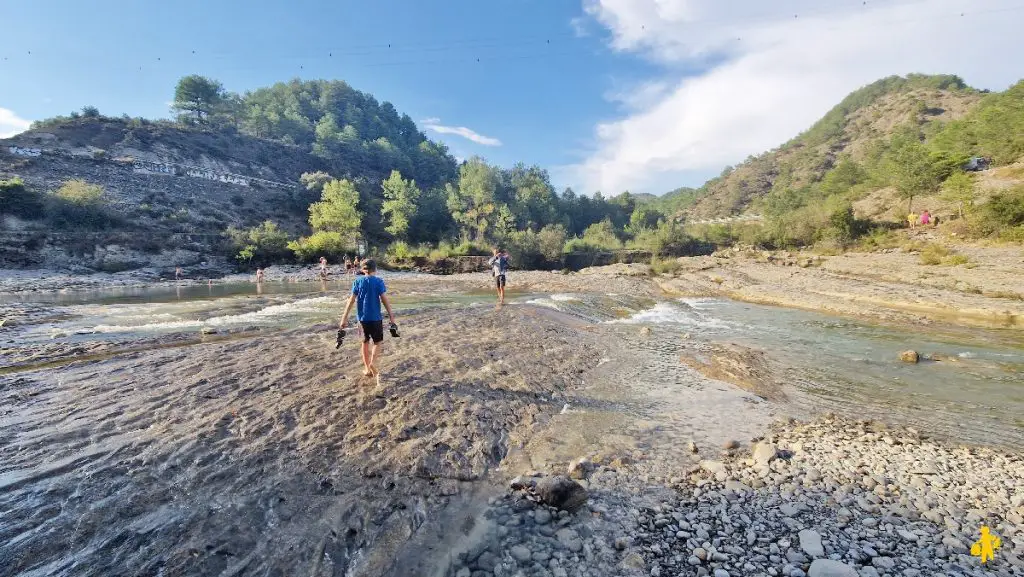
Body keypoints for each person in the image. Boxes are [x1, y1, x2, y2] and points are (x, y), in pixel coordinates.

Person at [339, 259, 396, 378]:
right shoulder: (379, 281)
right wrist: (391, 315)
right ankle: (372, 363)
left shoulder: (357, 281)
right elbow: (384, 300)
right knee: (377, 342)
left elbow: (351, 300)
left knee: (364, 343)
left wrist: (344, 318)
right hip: (376, 319)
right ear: (375, 269)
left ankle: (366, 368)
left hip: (362, 320)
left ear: (362, 269)